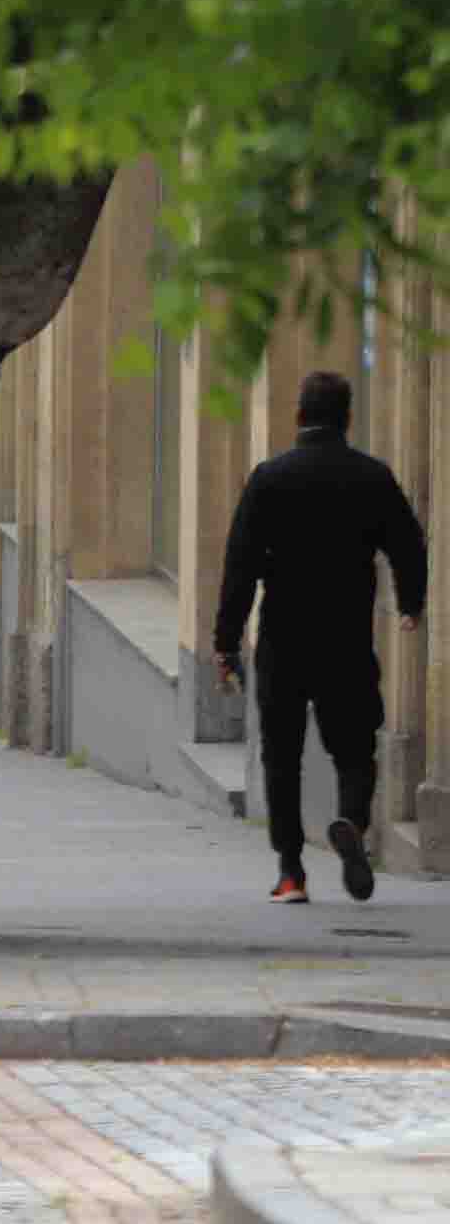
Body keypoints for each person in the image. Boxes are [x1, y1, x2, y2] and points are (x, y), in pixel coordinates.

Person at [216, 371, 430, 903]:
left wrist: (224, 641)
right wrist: (410, 603)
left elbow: (239, 565)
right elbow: (408, 543)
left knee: (281, 756)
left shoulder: (269, 478)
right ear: (347, 417)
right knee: (356, 746)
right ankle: (353, 823)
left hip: (284, 635)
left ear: (298, 416)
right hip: (346, 635)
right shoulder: (371, 477)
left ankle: (291, 872)